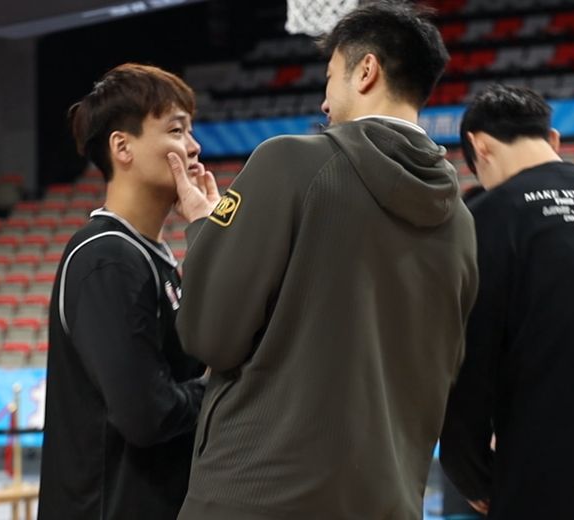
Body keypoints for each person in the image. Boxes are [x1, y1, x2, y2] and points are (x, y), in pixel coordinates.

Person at [169, 2, 478, 518]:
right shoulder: (461, 221)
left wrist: (205, 226)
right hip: (386, 501)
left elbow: (208, 334)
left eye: (330, 78)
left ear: (366, 71)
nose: (324, 101)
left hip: (258, 496)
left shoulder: (290, 162)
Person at [440, 84, 574, 520]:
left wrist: (469, 472)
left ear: (479, 146)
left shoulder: (488, 217)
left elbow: (464, 360)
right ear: (553, 139)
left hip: (547, 468)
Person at [38, 63, 220, 520]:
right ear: (122, 147)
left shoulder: (150, 256)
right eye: (176, 130)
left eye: (190, 130)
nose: (194, 146)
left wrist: (214, 236)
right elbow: (147, 415)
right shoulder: (108, 258)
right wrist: (220, 387)